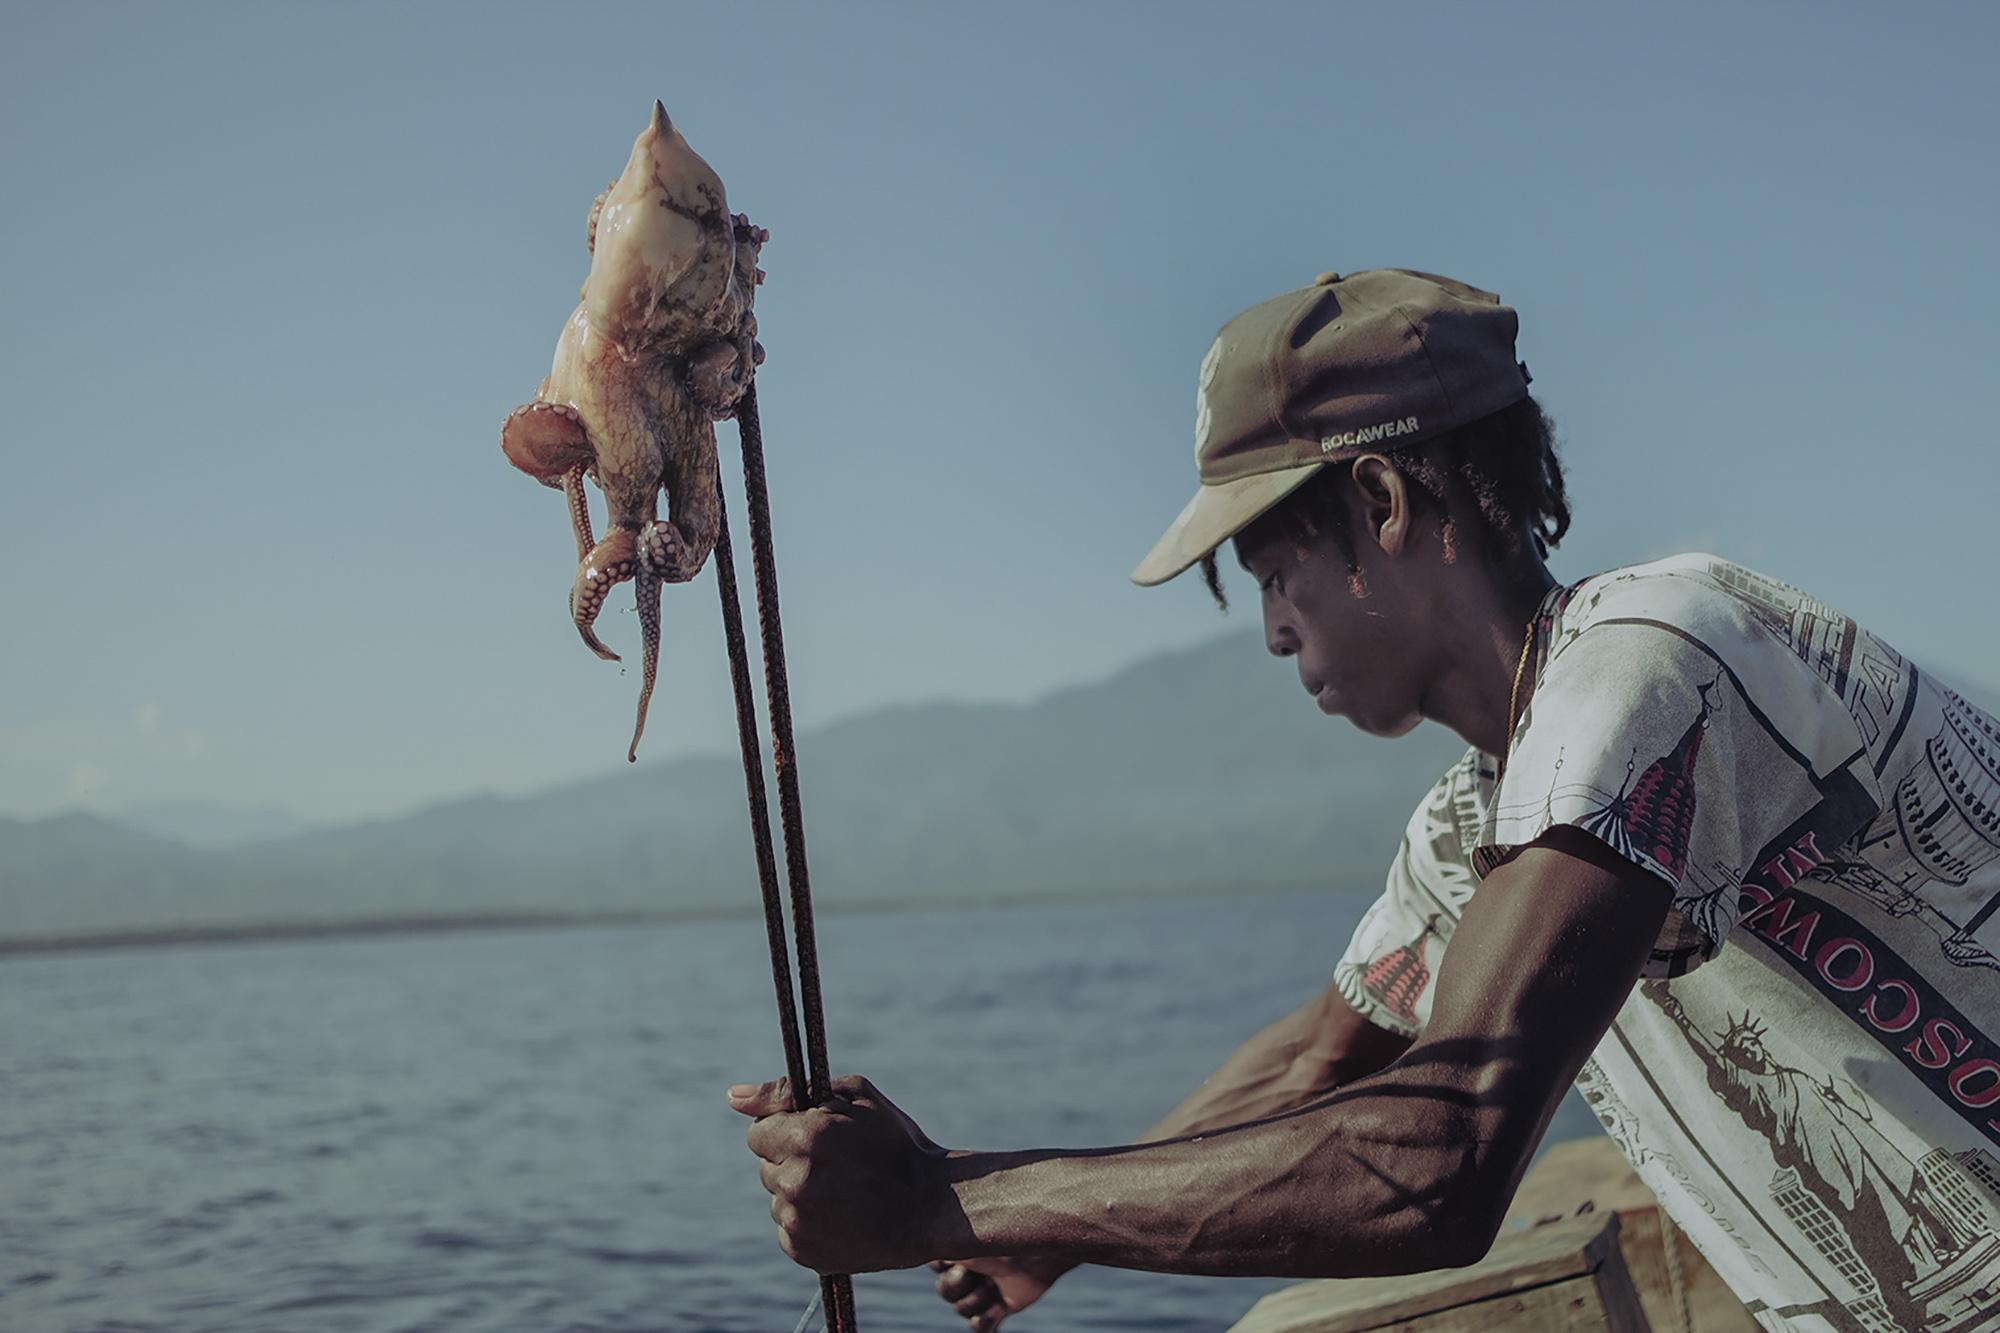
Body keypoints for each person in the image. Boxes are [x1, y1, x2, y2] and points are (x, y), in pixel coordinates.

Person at [729, 269, 2000, 1332]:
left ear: (1383, 503)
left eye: (1274, 575)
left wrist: (939, 1200)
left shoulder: (1651, 658)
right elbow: (1316, 1061)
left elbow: (1439, 1154)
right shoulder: (1478, 825)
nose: (1277, 636)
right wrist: (1038, 1232)